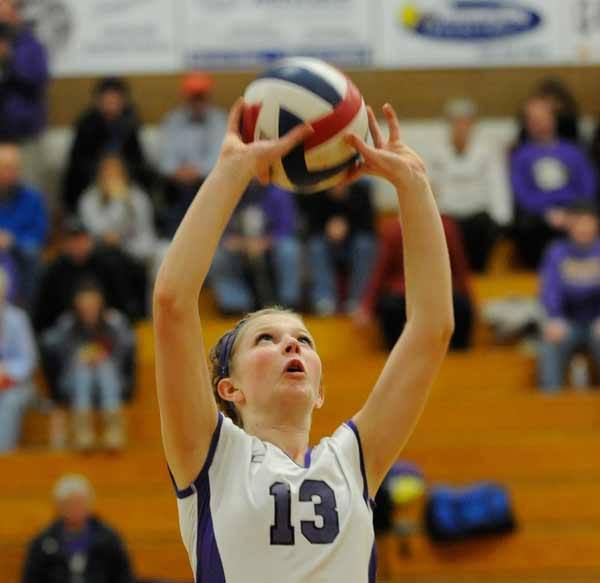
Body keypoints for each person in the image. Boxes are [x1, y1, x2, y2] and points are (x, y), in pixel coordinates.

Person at [153, 100, 453, 581]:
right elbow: (172, 303)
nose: (292, 346)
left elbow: (432, 327)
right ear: (229, 389)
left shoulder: (352, 459)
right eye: (267, 340)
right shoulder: (211, 459)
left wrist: (414, 186)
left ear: (320, 391)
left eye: (304, 341)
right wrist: (232, 172)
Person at [40, 279, 135, 451]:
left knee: (104, 365)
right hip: (74, 381)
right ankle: (83, 428)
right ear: (77, 305)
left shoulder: (114, 322)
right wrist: (80, 357)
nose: (89, 309)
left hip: (110, 380)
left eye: (93, 304)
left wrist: (101, 355)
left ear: (100, 303)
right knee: (83, 368)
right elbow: (57, 354)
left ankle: (113, 428)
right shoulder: (67, 325)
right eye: (85, 305)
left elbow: (124, 354)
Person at [355, 215, 473, 351]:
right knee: (391, 308)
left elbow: (459, 265)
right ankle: (394, 355)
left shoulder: (446, 227)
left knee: (462, 306)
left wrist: (469, 297)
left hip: (437, 290)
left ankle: (457, 356)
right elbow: (380, 270)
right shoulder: (392, 230)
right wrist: (366, 307)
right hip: (402, 292)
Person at [511, 96, 597, 269]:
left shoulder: (573, 151)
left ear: (553, 119)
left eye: (542, 118)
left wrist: (572, 213)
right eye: (533, 119)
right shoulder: (521, 155)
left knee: (586, 222)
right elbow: (521, 193)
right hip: (538, 216)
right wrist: (547, 213)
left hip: (574, 211)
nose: (539, 123)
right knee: (526, 228)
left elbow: (588, 187)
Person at [429, 98, 512, 272]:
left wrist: (503, 219)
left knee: (483, 229)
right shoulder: (437, 153)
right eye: (456, 122)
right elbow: (430, 188)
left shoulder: (487, 152)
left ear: (473, 125)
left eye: (465, 122)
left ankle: (477, 274)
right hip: (448, 215)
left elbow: (497, 186)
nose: (460, 127)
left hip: (478, 216)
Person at [33, 217, 145, 333]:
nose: (77, 245)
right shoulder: (55, 270)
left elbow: (124, 299)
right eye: (72, 240)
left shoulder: (108, 262)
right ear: (65, 244)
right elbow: (44, 312)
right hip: (70, 330)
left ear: (89, 240)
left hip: (106, 324)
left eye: (81, 239)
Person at [21, 474, 135, 583]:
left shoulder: (108, 539)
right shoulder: (43, 542)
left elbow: (124, 576)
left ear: (90, 504)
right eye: (69, 504)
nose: (75, 509)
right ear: (59, 507)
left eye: (80, 503)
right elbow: (31, 578)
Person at [63, 77, 152, 213]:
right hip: (93, 177)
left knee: (146, 178)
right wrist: (102, 172)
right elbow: (77, 158)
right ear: (99, 101)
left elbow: (137, 157)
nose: (111, 104)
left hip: (125, 176)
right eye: (107, 99)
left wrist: (122, 172)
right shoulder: (86, 124)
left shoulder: (130, 123)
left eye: (115, 99)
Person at [210, 181, 301, 313]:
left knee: (289, 248)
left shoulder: (279, 191)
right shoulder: (224, 191)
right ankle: (234, 304)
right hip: (238, 247)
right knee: (218, 255)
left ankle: (289, 302)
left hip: (271, 244)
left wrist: (264, 242)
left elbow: (287, 228)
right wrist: (241, 243)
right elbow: (216, 229)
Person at [538, 201, 600, 392]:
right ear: (569, 225)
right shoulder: (556, 252)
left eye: (587, 223)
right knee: (550, 343)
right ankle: (551, 406)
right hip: (567, 322)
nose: (582, 228)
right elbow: (550, 289)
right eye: (578, 223)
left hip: (597, 322)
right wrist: (555, 318)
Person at [157, 71, 227, 237]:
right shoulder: (172, 120)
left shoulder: (220, 120)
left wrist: (197, 171)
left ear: (208, 96)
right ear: (185, 96)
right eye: (193, 96)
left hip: (208, 185)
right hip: (176, 187)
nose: (197, 101)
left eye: (200, 96)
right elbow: (165, 159)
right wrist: (178, 171)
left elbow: (219, 157)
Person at [300, 179, 377, 315]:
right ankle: (324, 300)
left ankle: (357, 301)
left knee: (365, 245)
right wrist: (327, 229)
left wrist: (347, 228)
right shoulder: (315, 189)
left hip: (353, 244)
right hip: (325, 243)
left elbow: (369, 226)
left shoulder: (362, 189)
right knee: (315, 246)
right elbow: (309, 226)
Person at [0, 0, 48, 191]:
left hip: (24, 138)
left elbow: (37, 82)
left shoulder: (31, 45)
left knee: (30, 190)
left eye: (6, 6)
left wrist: (9, 61)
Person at [78, 153, 157, 265]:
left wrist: (125, 202)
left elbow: (145, 230)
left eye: (116, 171)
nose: (111, 176)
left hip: (133, 249)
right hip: (99, 250)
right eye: (107, 172)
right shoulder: (89, 198)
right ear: (99, 174)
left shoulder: (137, 196)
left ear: (124, 173)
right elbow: (94, 228)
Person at [0, 142, 48, 306]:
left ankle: (25, 310)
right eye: (4, 167)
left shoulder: (33, 198)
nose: (8, 173)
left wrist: (12, 241)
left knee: (31, 254)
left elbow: (39, 235)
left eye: (12, 168)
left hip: (20, 255)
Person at [0, 267, 37, 453]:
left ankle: (3, 456)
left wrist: (7, 373)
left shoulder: (18, 319)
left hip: (16, 384)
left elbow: (28, 359)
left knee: (11, 400)